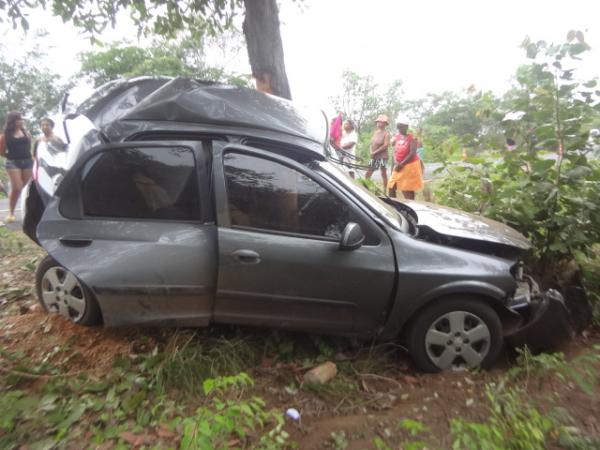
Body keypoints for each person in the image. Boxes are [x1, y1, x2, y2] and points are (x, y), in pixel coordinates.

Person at [0, 112, 33, 223]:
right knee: (17, 188)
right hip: (13, 162)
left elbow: (29, 146)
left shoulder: (25, 133)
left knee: (28, 188)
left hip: (27, 162)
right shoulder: (5, 135)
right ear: (12, 121)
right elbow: (1, 151)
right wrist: (12, 156)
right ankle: (11, 213)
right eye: (18, 119)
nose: (21, 121)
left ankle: (30, 212)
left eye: (21, 119)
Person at [387, 118, 423, 200]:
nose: (399, 129)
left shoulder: (412, 138)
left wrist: (401, 164)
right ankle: (394, 206)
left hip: (410, 165)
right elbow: (394, 150)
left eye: (401, 127)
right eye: (398, 127)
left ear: (406, 127)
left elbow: (412, 153)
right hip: (399, 165)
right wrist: (396, 162)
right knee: (391, 186)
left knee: (407, 189)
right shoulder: (397, 137)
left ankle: (410, 208)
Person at [365, 114, 391, 192]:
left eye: (381, 122)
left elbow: (385, 145)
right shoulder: (376, 132)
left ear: (385, 124)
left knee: (383, 173)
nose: (378, 123)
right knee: (368, 172)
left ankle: (384, 190)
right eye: (378, 122)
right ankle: (366, 187)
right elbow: (371, 143)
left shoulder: (386, 134)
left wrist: (374, 152)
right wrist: (371, 152)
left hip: (383, 157)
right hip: (374, 156)